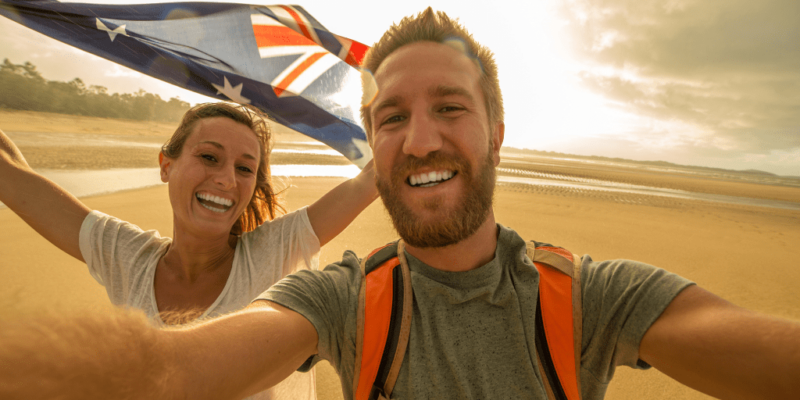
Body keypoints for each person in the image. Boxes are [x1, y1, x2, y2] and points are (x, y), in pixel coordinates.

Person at [1, 8, 799, 400]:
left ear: (497, 135)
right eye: (390, 118)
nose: (419, 141)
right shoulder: (340, 299)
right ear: (376, 151)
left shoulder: (591, 296)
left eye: (450, 107)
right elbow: (163, 367)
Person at [0, 102, 378, 400]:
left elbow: (369, 180)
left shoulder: (275, 250)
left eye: (245, 169)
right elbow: (12, 175)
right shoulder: (128, 256)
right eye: (209, 157)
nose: (227, 179)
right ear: (167, 165)